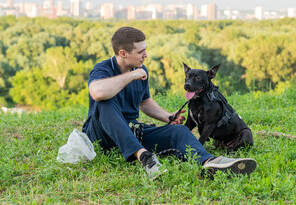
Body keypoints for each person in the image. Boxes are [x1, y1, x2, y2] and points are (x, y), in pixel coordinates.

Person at [82, 26, 257, 180]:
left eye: (146, 50)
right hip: (101, 136)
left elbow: (145, 102)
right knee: (104, 102)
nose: (146, 55)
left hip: (131, 131)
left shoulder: (141, 70)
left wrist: (168, 117)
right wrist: (133, 75)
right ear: (123, 53)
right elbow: (98, 93)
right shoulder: (103, 69)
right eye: (140, 52)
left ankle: (210, 162)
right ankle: (144, 157)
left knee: (179, 131)